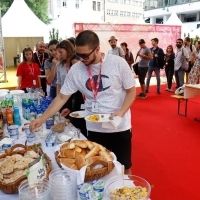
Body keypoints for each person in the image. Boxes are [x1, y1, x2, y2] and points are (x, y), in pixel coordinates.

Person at [30, 30, 136, 174]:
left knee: (123, 167)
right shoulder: (76, 70)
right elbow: (61, 97)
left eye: (85, 55)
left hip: (119, 126)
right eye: (78, 55)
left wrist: (121, 112)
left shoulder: (118, 63)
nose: (81, 59)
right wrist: (42, 119)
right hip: (94, 126)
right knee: (97, 168)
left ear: (97, 49)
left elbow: (131, 91)